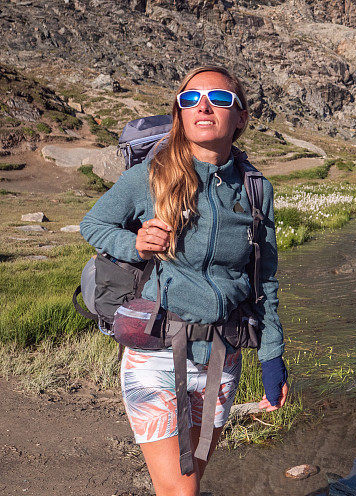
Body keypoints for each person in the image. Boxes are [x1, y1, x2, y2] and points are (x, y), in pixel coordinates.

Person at [80, 65, 287, 496]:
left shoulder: (256, 190)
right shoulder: (150, 176)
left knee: (186, 482)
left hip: (222, 360)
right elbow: (94, 224)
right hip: (155, 351)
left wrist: (273, 358)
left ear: (241, 117)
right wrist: (136, 243)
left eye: (220, 99)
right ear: (180, 113)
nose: (204, 106)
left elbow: (264, 280)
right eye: (191, 99)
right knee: (181, 491)